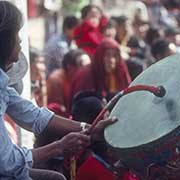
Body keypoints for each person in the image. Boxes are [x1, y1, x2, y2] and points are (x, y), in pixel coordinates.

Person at [0, 1, 116, 179]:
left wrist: (89, 129)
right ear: (5, 39)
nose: (20, 39)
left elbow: (34, 115)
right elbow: (7, 162)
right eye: (16, 33)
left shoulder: (3, 85)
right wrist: (58, 147)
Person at [46, 49, 91, 117]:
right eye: (82, 66)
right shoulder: (56, 80)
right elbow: (56, 111)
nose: (86, 70)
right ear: (70, 68)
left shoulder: (86, 79)